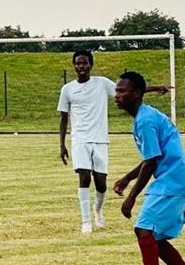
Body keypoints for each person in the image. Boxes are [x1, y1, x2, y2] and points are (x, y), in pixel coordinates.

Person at [112, 71, 185, 265]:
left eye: (123, 91)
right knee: (155, 238)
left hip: (174, 181)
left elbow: (151, 162)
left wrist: (131, 197)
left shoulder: (145, 121)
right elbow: (152, 157)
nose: (117, 95)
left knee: (144, 230)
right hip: (175, 180)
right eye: (116, 91)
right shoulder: (144, 116)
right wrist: (127, 178)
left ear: (138, 94)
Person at [58, 50, 167, 234]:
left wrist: (155, 88)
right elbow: (63, 118)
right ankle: (85, 221)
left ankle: (98, 209)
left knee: (100, 182)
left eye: (84, 63)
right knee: (84, 177)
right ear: (74, 66)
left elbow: (128, 90)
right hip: (79, 139)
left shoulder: (101, 83)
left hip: (100, 139)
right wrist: (62, 144)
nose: (81, 67)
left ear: (90, 65)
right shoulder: (67, 89)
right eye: (78, 63)